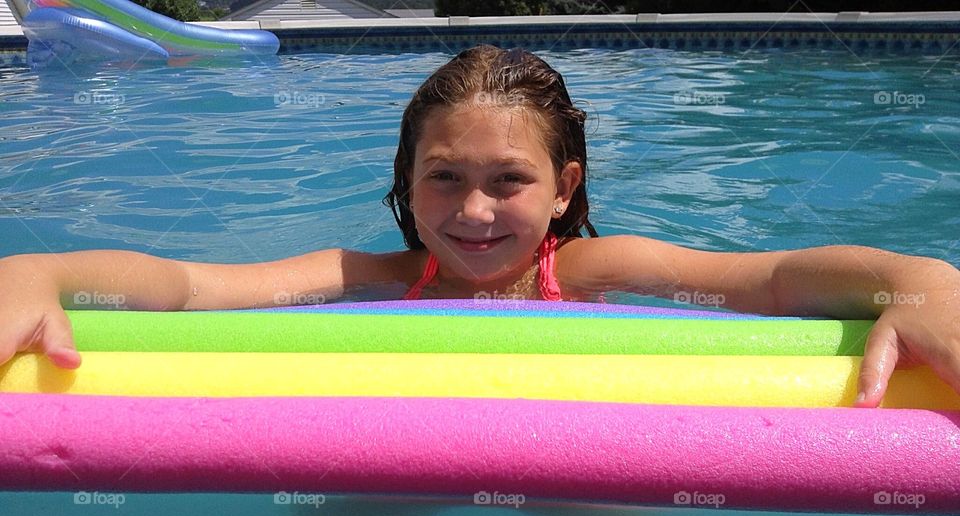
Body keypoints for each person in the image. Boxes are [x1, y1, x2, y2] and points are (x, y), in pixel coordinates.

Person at [0, 45, 958, 407]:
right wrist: (38, 274)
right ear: (405, 185)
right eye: (443, 178)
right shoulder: (369, 275)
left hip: (579, 431)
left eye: (509, 180)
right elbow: (192, 287)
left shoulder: (587, 270)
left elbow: (779, 278)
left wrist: (926, 288)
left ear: (562, 188)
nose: (471, 212)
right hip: (411, 430)